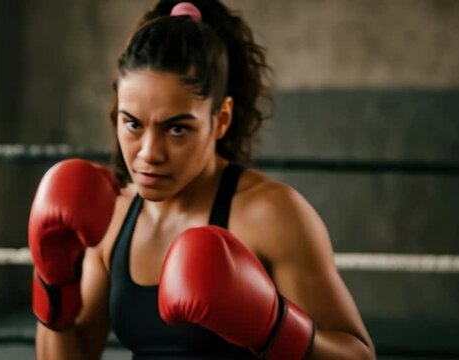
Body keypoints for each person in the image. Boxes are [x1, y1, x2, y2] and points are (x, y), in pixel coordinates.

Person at [29, 0, 375, 359]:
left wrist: (273, 327)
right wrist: (53, 286)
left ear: (220, 118)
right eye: (133, 123)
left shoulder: (269, 214)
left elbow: (360, 356)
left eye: (177, 129)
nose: (149, 153)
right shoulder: (112, 219)